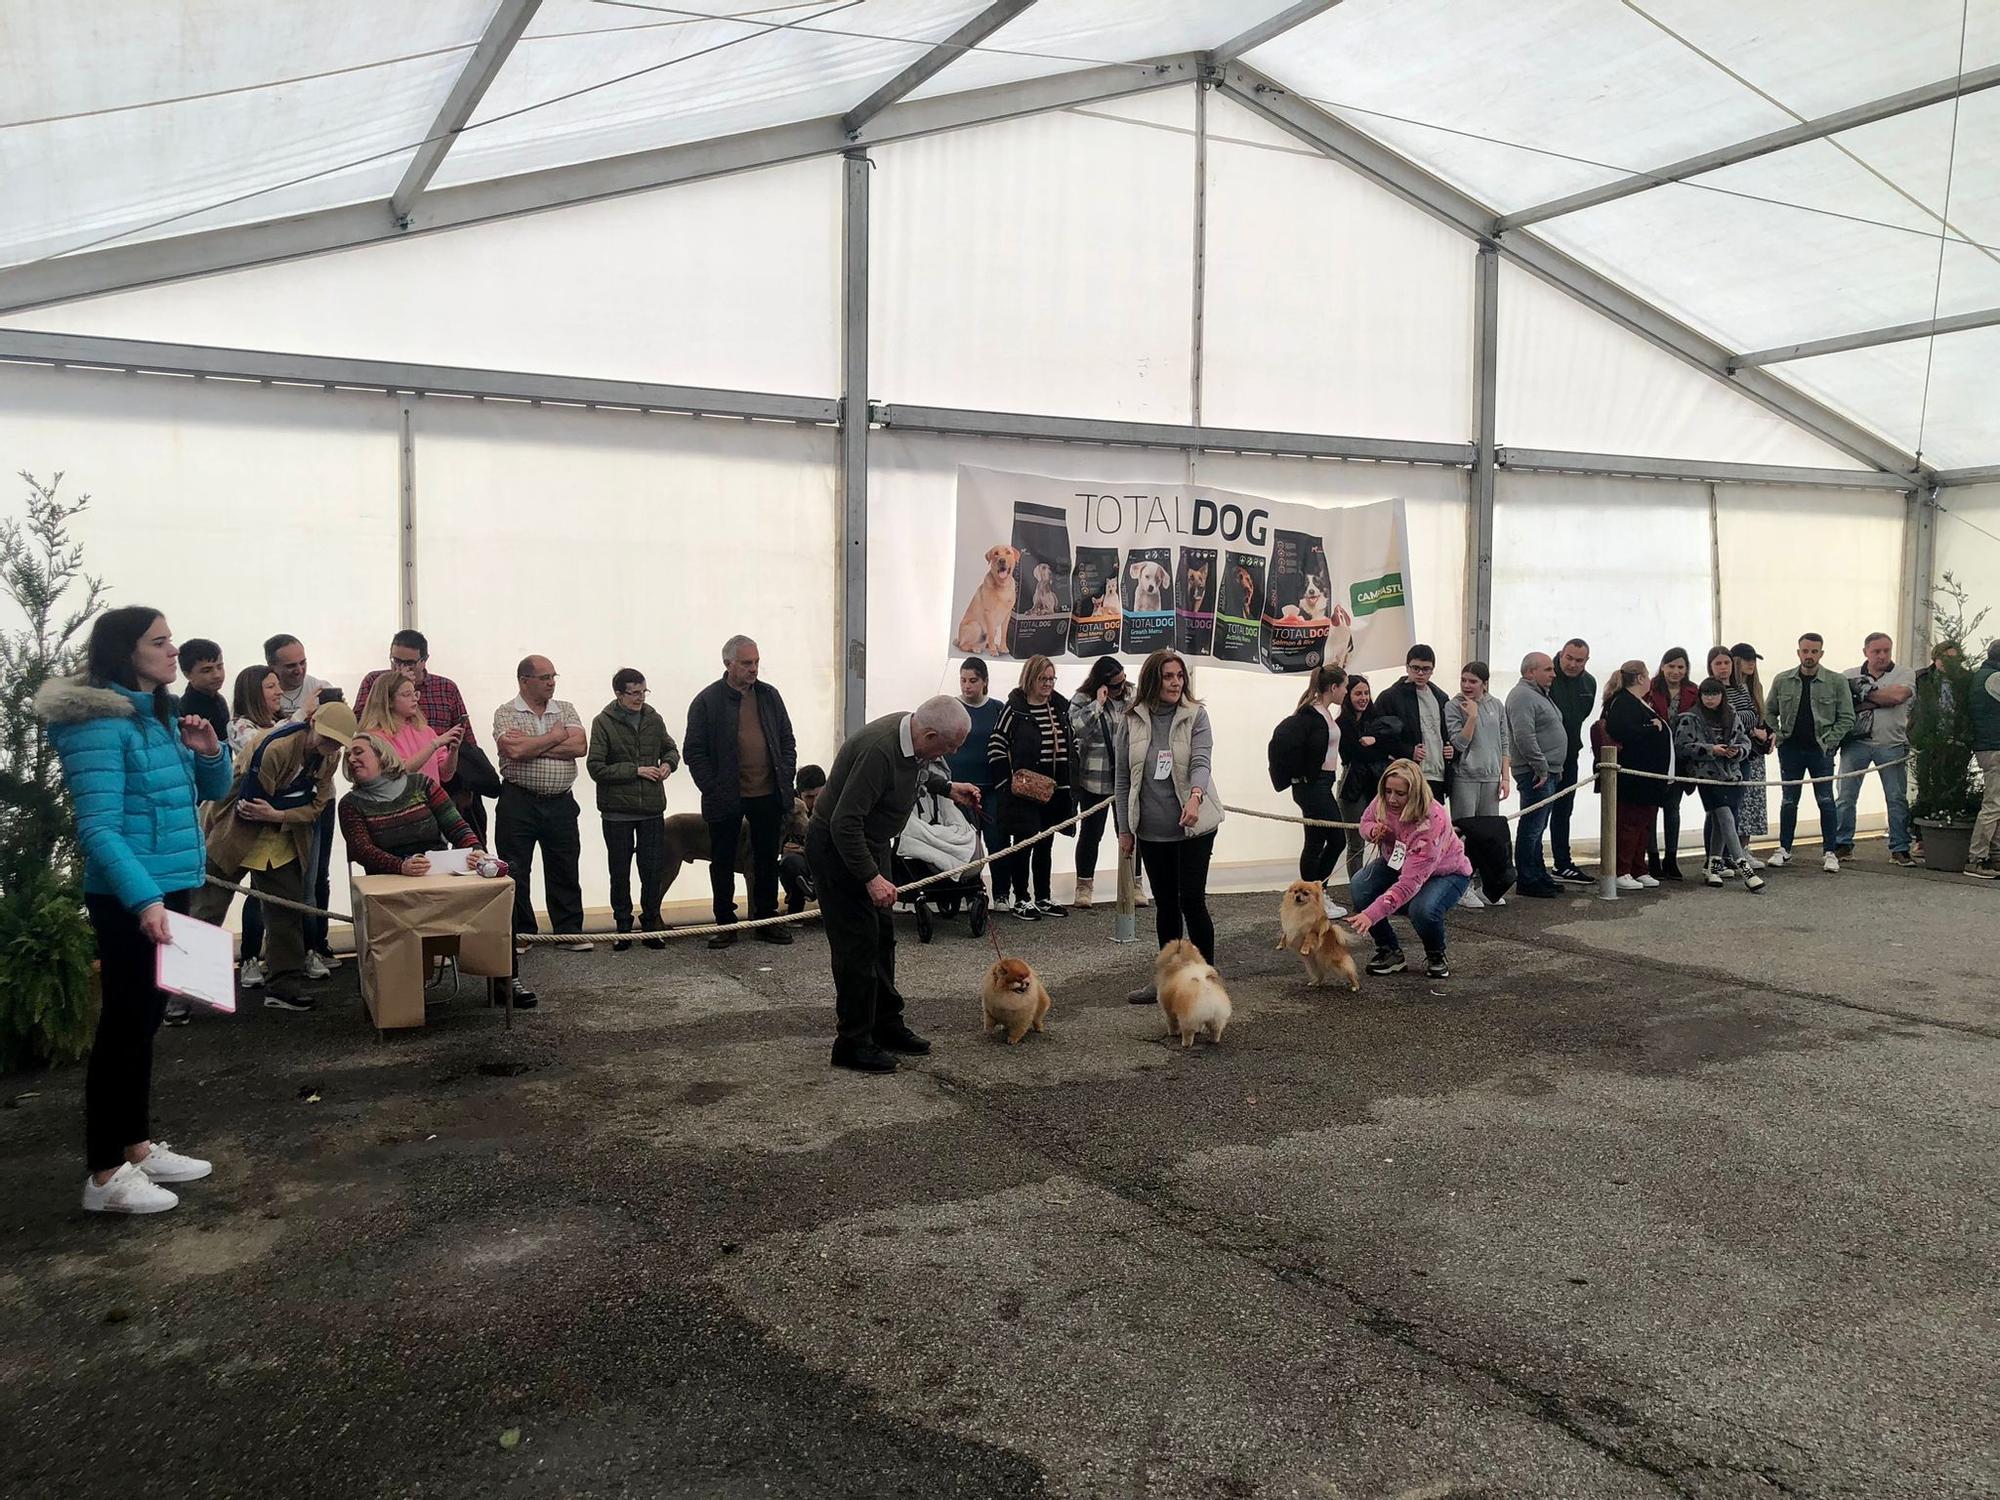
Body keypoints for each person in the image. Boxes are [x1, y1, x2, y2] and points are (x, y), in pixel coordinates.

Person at [38, 607, 232, 1214]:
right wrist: (144, 899)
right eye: (160, 641)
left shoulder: (159, 715)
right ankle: (103, 1176)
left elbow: (212, 792)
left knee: (143, 1026)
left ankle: (137, 1148)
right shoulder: (97, 722)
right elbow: (98, 828)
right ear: (126, 651)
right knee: (122, 1029)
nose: (174, 650)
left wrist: (207, 753)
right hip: (130, 896)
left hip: (167, 885)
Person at [807, 697, 983, 1073]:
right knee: (857, 945)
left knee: (883, 938)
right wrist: (871, 878)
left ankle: (885, 1025)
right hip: (839, 847)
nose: (950, 753)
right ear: (931, 733)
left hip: (872, 842)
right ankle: (852, 1042)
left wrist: (946, 787)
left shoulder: (915, 738)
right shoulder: (879, 750)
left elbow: (917, 770)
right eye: (949, 747)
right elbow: (843, 823)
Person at [190, 696, 355, 1011]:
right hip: (235, 830)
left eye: (338, 742)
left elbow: (317, 807)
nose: (331, 745)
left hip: (281, 835)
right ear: (313, 723)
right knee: (206, 910)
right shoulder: (275, 747)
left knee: (285, 913)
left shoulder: (329, 757)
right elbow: (252, 803)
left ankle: (283, 987)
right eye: (328, 737)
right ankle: (179, 996)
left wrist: (280, 814)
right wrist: (291, 807)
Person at [1115, 648, 1224, 1004]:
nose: (1176, 682)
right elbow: (1121, 779)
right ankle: (1168, 981)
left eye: (1180, 676)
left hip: (1194, 826)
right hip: (1151, 828)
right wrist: (1124, 829)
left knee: (1192, 900)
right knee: (1165, 905)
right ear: (1152, 680)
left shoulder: (1196, 716)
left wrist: (1194, 797)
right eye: (1168, 676)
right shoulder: (1130, 720)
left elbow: (1201, 761)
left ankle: (1206, 979)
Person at [683, 636, 798, 949]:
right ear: (728, 664)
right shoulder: (707, 701)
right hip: (726, 795)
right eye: (747, 663)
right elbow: (693, 751)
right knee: (722, 860)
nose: (754, 668)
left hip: (768, 793)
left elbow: (787, 740)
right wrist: (712, 787)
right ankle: (725, 922)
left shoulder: (769, 696)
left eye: (757, 662)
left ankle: (765, 920)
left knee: (765, 859)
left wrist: (785, 774)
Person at [493, 655, 592, 953]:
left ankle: (568, 931)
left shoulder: (566, 709)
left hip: (560, 801)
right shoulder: (506, 712)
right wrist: (554, 736)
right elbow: (514, 750)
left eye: (553, 676)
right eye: (545, 677)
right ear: (525, 681)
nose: (551, 682)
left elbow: (579, 746)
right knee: (516, 867)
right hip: (519, 801)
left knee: (564, 864)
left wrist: (535, 744)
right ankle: (522, 931)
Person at [1342, 758, 1472, 979]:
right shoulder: (1383, 799)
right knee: (1359, 885)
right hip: (1397, 860)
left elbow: (1408, 884)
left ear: (1414, 792)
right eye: (1388, 791)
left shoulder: (1432, 819)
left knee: (1423, 911)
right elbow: (1364, 822)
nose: (1391, 799)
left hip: (1445, 871)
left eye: (1400, 794)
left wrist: (1370, 916)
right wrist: (1373, 831)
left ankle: (1435, 954)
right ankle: (1389, 951)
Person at [586, 668, 681, 951]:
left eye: (644, 691)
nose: (640, 697)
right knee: (620, 870)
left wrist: (668, 764)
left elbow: (671, 749)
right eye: (634, 692)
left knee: (652, 870)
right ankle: (623, 926)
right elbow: (596, 767)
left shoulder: (654, 718)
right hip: (617, 812)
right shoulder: (603, 722)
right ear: (618, 694)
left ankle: (651, 924)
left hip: (651, 809)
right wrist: (636, 770)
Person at [359, 629, 485, 840]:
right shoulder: (376, 685)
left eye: (408, 663)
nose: (400, 667)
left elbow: (464, 749)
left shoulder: (441, 696)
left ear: (424, 661)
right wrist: (393, 682)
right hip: (393, 808)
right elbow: (362, 728)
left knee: (455, 850)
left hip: (434, 801)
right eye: (395, 660)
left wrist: (454, 751)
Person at [989, 655, 1076, 921]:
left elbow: (1072, 741)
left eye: (1051, 679)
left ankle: (1043, 896)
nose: (1048, 684)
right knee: (1024, 841)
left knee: (1046, 843)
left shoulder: (1060, 708)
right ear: (1031, 678)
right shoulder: (1015, 709)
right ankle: (1021, 897)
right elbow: (996, 743)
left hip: (1055, 788)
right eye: (1043, 679)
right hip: (1024, 790)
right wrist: (1006, 782)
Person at [214, 664, 283, 999]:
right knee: (221, 900)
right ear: (254, 692)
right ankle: (248, 959)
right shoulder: (240, 726)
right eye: (271, 686)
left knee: (270, 897)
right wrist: (301, 719)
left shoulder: (284, 722)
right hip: (240, 826)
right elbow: (263, 747)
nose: (279, 692)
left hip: (279, 827)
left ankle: (281, 974)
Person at [1765, 633, 1854, 873]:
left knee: (1825, 800)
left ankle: (1830, 851)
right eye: (1805, 651)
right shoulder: (1783, 679)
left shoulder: (1836, 681)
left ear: (1821, 654)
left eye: (1814, 652)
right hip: (1791, 749)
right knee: (1788, 800)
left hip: (1820, 750)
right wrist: (1777, 734)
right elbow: (1769, 711)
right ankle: (1784, 848)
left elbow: (1847, 717)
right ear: (1798, 653)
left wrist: (1830, 742)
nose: (1809, 656)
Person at [337, 733, 488, 875]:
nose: (351, 759)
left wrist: (475, 849)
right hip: (386, 885)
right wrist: (400, 866)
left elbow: (455, 826)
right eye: (348, 756)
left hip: (437, 874)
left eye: (358, 752)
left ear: (381, 754)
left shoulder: (422, 784)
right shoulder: (350, 804)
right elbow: (362, 850)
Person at [1674, 678, 1766, 892]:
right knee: (1725, 816)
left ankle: (1713, 866)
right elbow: (1682, 747)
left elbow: (1745, 741)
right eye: (1706, 694)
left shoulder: (1732, 715)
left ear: (1722, 695)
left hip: (1730, 774)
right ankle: (1744, 868)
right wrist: (1710, 750)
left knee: (1719, 820)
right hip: (1705, 776)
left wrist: (1737, 751)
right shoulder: (1689, 717)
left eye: (1714, 694)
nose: (1710, 699)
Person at [1272, 663, 1348, 917]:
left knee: (1315, 841)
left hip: (1321, 782)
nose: (1346, 692)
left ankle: (1311, 897)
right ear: (1333, 687)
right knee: (1337, 839)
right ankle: (1318, 893)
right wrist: (1305, 776)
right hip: (1314, 785)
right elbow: (1310, 751)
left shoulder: (1322, 712)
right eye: (1345, 687)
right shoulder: (1313, 715)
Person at [1836, 632, 1916, 864]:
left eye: (1886, 651)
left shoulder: (1905, 673)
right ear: (1865, 652)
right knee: (1846, 796)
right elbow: (1845, 704)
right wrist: (1883, 697)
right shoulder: (1848, 675)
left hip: (1891, 743)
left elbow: (1899, 696)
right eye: (1876, 651)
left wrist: (1863, 695)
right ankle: (1842, 843)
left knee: (1896, 797)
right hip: (1856, 743)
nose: (1882, 656)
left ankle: (1900, 847)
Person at [1600, 660, 1671, 892]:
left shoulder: (1638, 702)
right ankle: (1622, 869)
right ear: (1640, 678)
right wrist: (1651, 727)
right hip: (1634, 777)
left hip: (1649, 777)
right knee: (1630, 824)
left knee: (1644, 824)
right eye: (1647, 675)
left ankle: (1639, 867)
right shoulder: (1622, 702)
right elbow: (1622, 730)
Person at [1066, 656, 1129, 909]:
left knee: (1128, 832)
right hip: (1093, 779)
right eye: (1115, 686)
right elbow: (1075, 729)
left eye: (1123, 682)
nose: (1120, 689)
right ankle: (1084, 887)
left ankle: (1133, 884)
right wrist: (1097, 704)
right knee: (1091, 834)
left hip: (1123, 778)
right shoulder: (1083, 699)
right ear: (1102, 684)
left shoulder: (1130, 696)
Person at [1505, 651, 1566, 899]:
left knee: (1539, 827)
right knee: (1532, 826)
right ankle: (1527, 878)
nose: (1553, 673)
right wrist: (1540, 766)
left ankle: (1538, 873)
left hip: (1549, 770)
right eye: (1548, 669)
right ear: (1531, 672)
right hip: (1534, 772)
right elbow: (1524, 735)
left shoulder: (1540, 695)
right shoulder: (1522, 696)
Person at [948, 657, 1009, 905]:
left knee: (997, 841)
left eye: (973, 681)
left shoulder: (997, 708)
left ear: (985, 682)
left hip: (990, 789)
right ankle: (968, 892)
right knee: (963, 843)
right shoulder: (951, 707)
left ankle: (1002, 893)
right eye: (963, 680)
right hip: (958, 790)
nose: (967, 686)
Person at [1335, 675, 1399, 881]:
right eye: (1357, 693)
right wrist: (1382, 750)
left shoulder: (1376, 719)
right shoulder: (1341, 724)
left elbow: (1394, 743)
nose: (1363, 698)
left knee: (1389, 837)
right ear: (1348, 696)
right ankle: (1357, 885)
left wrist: (1375, 741)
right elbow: (1355, 753)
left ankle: (1390, 883)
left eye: (1366, 693)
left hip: (1377, 783)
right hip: (1352, 785)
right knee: (1355, 842)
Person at [1373, 645, 1452, 803]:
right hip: (1406, 775)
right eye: (1415, 668)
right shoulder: (1390, 697)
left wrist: (1451, 749)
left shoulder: (1441, 697)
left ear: (1432, 670)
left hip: (1437, 774)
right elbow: (1378, 736)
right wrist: (1408, 751)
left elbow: (1447, 732)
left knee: (1432, 824)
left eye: (1426, 669)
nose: (1421, 673)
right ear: (1407, 667)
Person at [358, 667, 463, 787]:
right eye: (407, 695)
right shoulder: (375, 737)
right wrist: (434, 745)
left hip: (430, 804)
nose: (414, 699)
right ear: (389, 701)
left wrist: (454, 750)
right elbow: (400, 772)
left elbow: (446, 774)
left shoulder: (426, 731)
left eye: (415, 693)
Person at [1645, 648, 1699, 881]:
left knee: (1673, 808)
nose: (1675, 671)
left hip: (1681, 757)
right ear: (1663, 666)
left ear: (1686, 669)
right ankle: (1653, 857)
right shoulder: (1649, 688)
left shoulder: (1694, 691)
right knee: (1651, 808)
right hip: (1655, 757)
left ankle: (1671, 858)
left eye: (1680, 667)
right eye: (1671, 666)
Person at [1547, 638, 1596, 883]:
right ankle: (1532, 865)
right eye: (1569, 658)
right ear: (1561, 654)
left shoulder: (1589, 683)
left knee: (1564, 810)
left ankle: (1562, 863)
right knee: (1538, 813)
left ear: (1587, 661)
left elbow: (1581, 715)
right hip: (1544, 758)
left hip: (1570, 755)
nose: (1573, 664)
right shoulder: (1547, 675)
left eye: (1579, 660)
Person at [1444, 660, 1510, 819]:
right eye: (1463, 680)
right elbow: (1459, 744)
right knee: (1464, 828)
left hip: (1491, 778)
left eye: (1473, 681)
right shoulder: (1453, 705)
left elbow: (1504, 742)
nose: (1466, 685)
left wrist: (1505, 778)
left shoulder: (1496, 705)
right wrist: (1472, 716)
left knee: (1488, 831)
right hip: (1465, 777)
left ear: (1484, 684)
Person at [1729, 643, 1773, 844]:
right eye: (1747, 659)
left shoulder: (1755, 687)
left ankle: (1745, 848)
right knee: (1740, 801)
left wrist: (1769, 733)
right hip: (1737, 750)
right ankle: (1734, 851)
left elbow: (1763, 718)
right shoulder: (1730, 688)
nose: (1751, 663)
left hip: (1755, 752)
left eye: (1753, 659)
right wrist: (1755, 730)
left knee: (1754, 800)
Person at [1964, 640, 2000, 879]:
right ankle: (1977, 858)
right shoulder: (1995, 678)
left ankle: (1994, 855)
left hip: (1987, 745)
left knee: (1998, 803)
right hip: (1995, 746)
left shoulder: (1980, 676)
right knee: (1993, 804)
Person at [779, 764, 826, 914]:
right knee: (789, 862)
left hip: (825, 859)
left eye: (819, 795)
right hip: (801, 861)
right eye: (810, 797)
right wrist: (781, 847)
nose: (815, 801)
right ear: (799, 794)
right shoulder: (789, 806)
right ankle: (795, 910)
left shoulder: (834, 802)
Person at [175, 639, 229, 741]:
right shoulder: (185, 711)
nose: (217, 675)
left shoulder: (219, 700)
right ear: (187, 674)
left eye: (220, 667)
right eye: (207, 670)